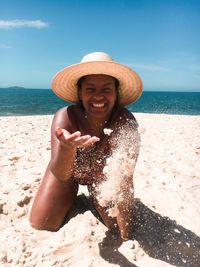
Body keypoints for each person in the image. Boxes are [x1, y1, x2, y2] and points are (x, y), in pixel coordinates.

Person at [29, 52, 143, 241]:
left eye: (106, 89)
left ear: (116, 94)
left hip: (104, 181)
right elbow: (61, 173)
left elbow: (124, 180)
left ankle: (92, 196)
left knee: (120, 229)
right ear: (80, 94)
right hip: (67, 176)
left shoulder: (125, 123)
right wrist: (66, 148)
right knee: (42, 224)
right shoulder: (65, 117)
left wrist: (125, 233)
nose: (98, 96)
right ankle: (68, 196)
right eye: (90, 89)